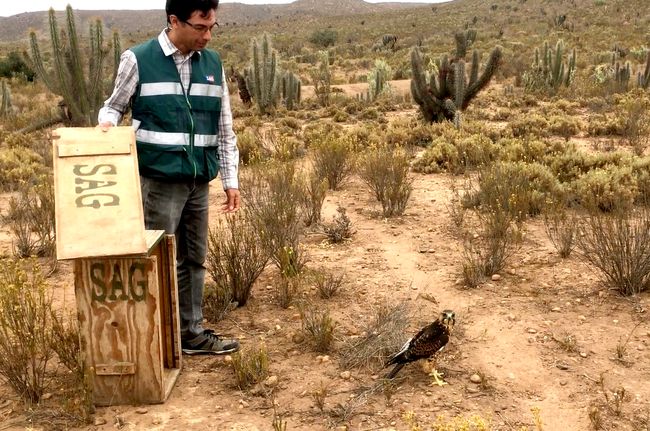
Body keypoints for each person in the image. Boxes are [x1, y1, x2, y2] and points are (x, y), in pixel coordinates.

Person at [98, 0, 240, 355]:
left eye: (212, 27)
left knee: (193, 259)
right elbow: (114, 106)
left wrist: (230, 179)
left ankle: (190, 334)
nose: (207, 36)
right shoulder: (138, 59)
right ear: (174, 20)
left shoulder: (213, 64)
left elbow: (224, 127)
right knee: (155, 260)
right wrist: (106, 130)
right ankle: (151, 341)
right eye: (200, 27)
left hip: (198, 180)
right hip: (158, 183)